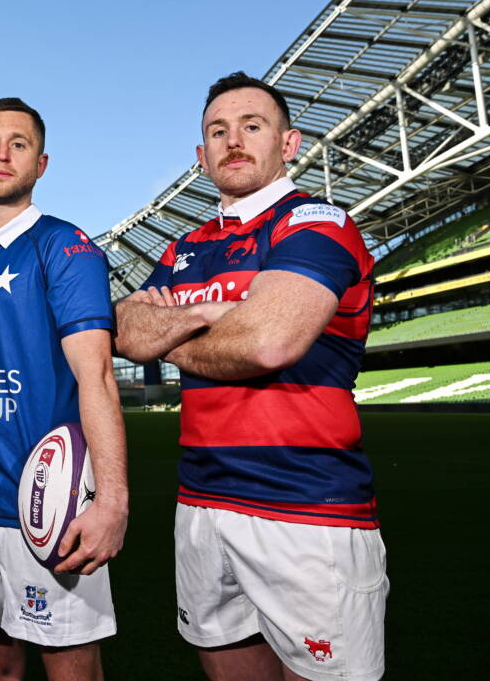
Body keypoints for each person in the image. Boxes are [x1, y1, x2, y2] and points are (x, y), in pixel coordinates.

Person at [114, 72, 387, 681]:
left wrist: (179, 324)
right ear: (201, 154)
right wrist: (219, 315)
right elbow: (125, 331)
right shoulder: (182, 247)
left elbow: (269, 342)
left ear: (288, 144)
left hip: (306, 509)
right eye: (218, 131)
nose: (233, 140)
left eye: (251, 126)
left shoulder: (319, 223)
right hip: (202, 500)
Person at [0, 98, 128, 681]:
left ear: (41, 163)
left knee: (69, 664)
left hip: (49, 501)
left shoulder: (66, 246)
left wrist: (112, 502)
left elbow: (96, 376)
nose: (2, 153)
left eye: (18, 143)